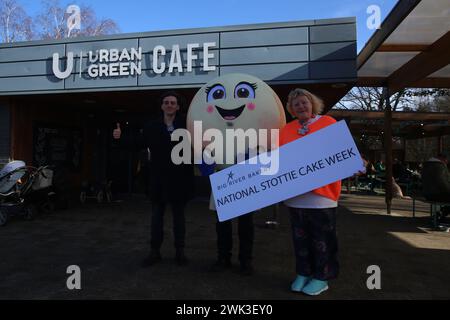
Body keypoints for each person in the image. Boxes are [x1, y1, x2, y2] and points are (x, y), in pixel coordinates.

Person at [113, 91, 195, 266]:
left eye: (173, 102)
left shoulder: (188, 125)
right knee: (157, 217)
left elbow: (204, 141)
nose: (170, 105)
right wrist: (120, 138)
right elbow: (137, 143)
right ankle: (154, 251)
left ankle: (180, 252)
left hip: (180, 179)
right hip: (158, 179)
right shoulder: (152, 126)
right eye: (166, 102)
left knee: (179, 218)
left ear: (178, 106)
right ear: (161, 106)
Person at [279, 88, 345, 296]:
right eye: (296, 104)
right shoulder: (285, 130)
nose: (301, 106)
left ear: (312, 103)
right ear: (291, 109)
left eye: (304, 102)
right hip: (295, 197)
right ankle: (303, 272)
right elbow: (278, 160)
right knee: (300, 240)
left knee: (322, 240)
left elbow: (341, 152)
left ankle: (322, 277)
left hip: (322, 196)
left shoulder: (328, 123)